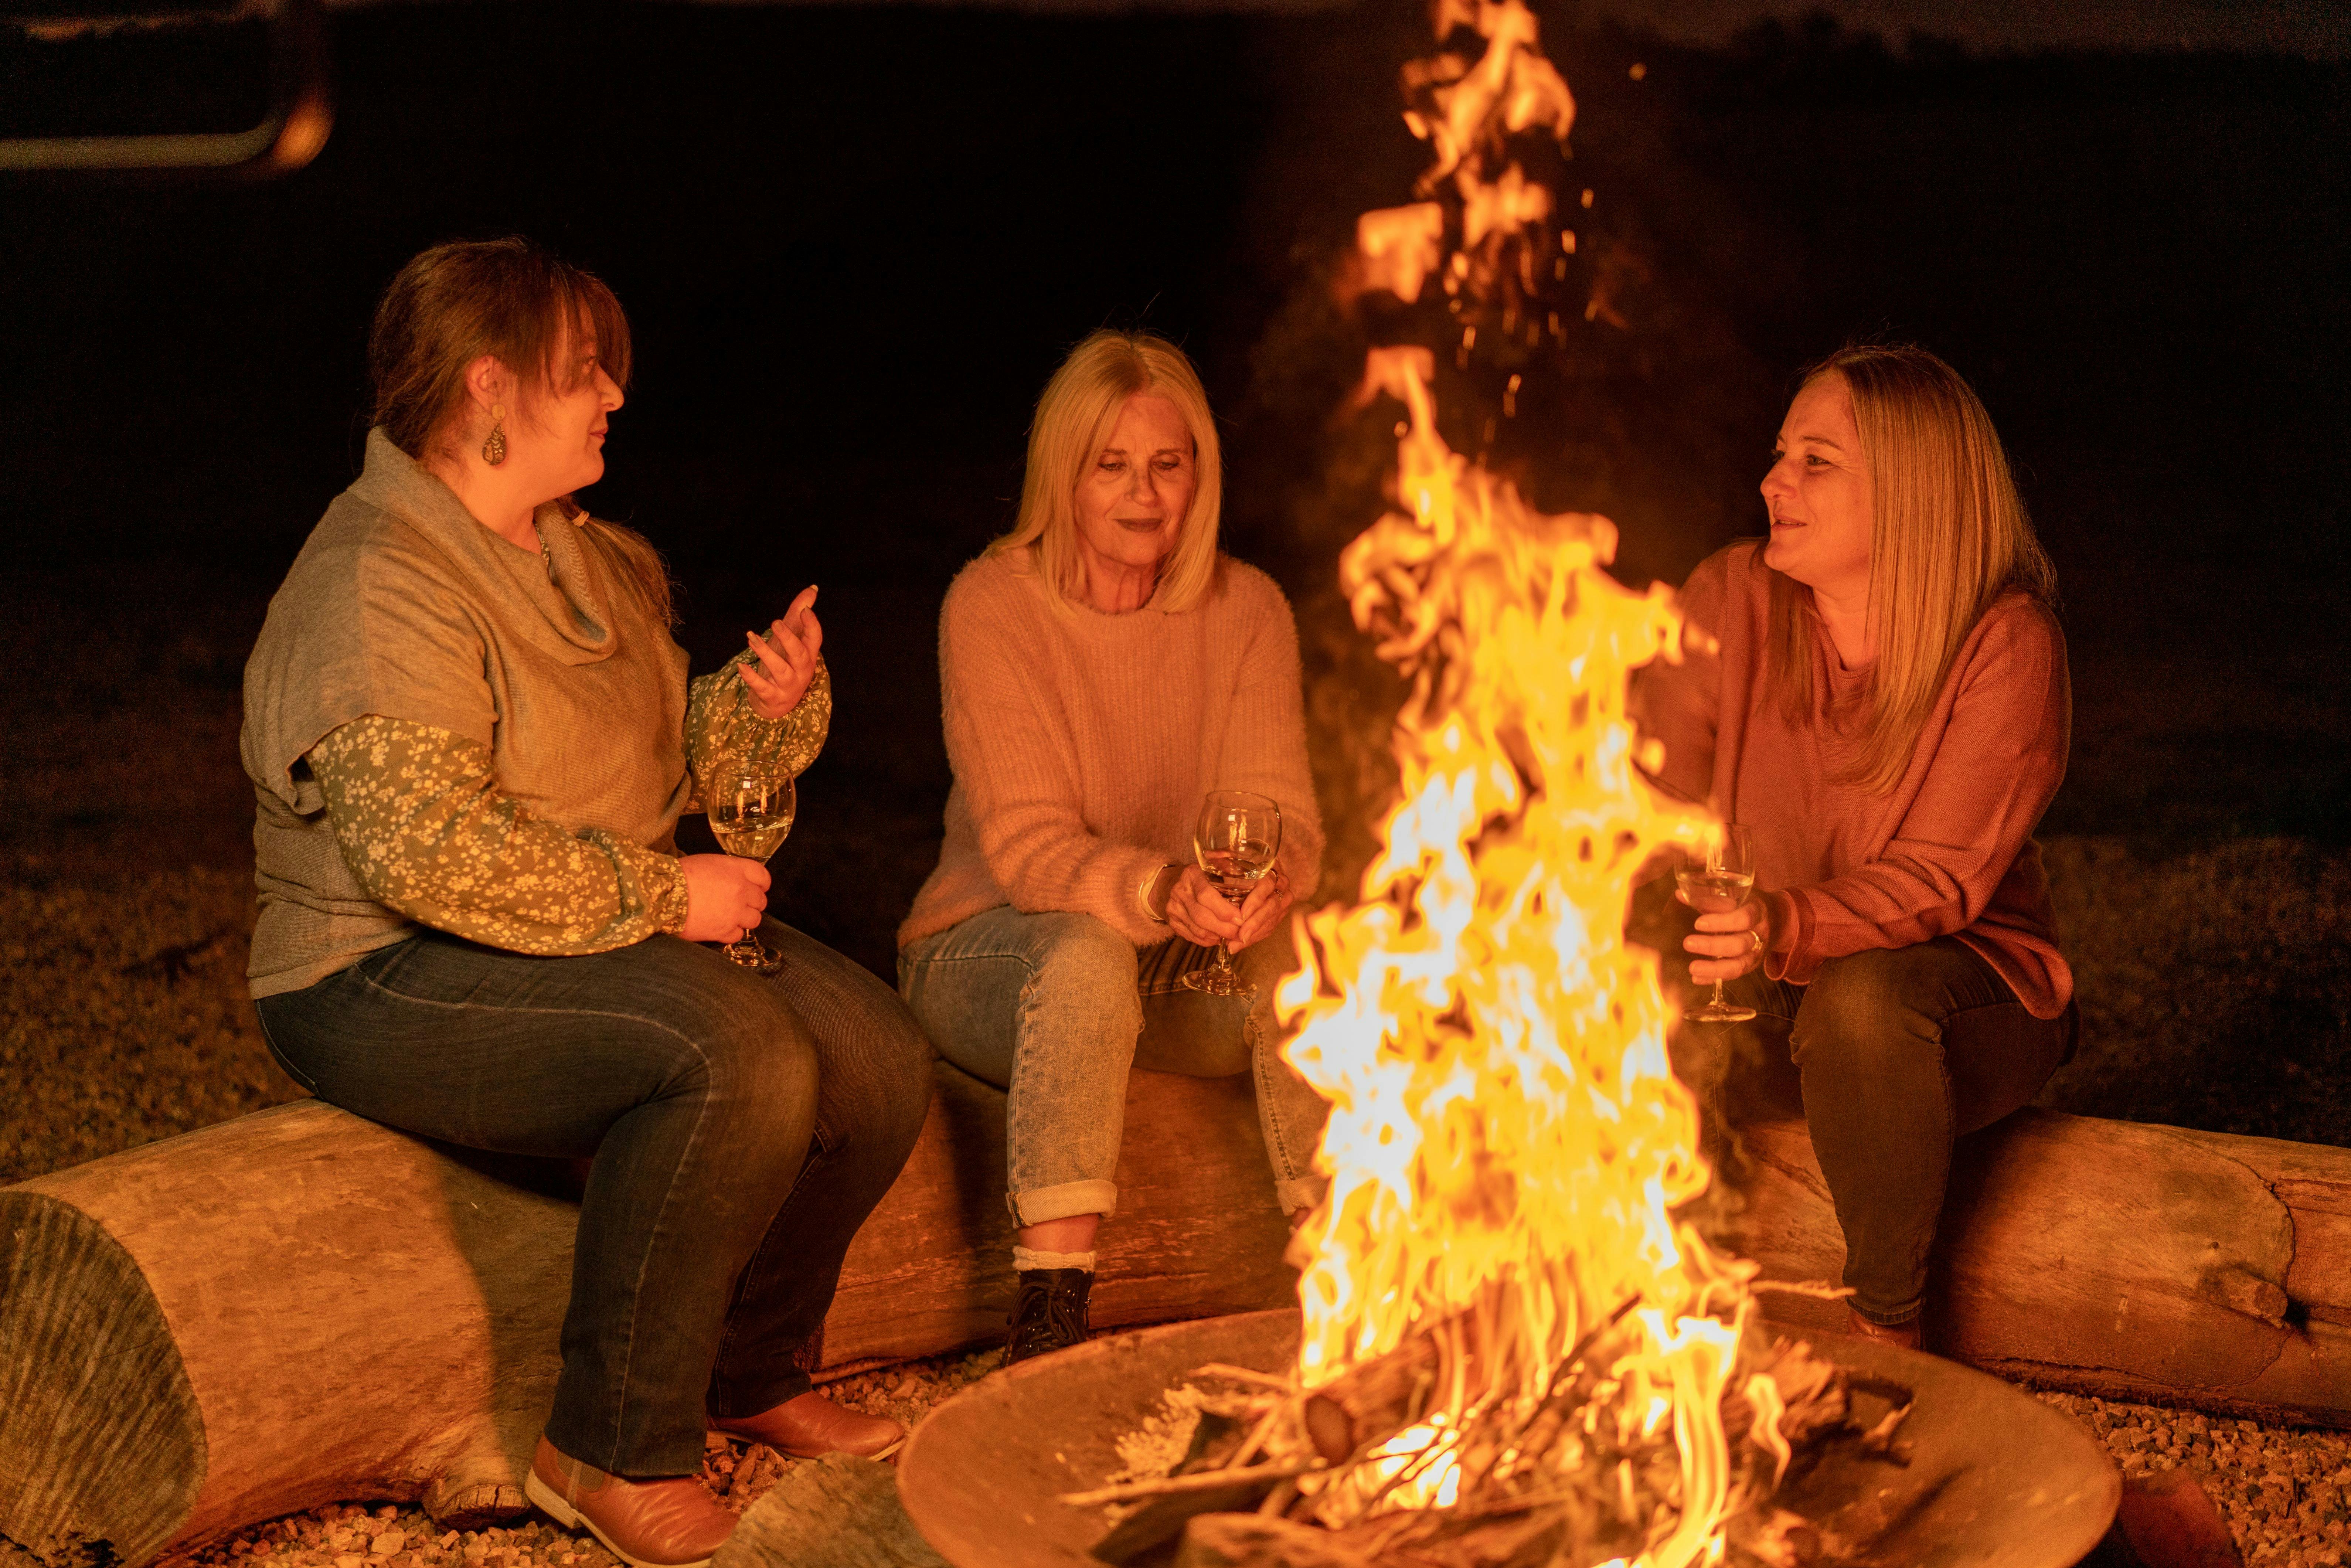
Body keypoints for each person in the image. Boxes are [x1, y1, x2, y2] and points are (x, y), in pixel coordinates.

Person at [241, 238, 931, 1568]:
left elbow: (669, 760)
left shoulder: (591, 555)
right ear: (490, 389)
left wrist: (761, 710)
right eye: (583, 371)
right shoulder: (377, 582)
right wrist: (666, 893)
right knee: (727, 1052)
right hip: (375, 971)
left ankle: (749, 1363)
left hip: (579, 925)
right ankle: (607, 1441)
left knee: (878, 1054)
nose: (615, 391)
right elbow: (425, 854)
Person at [896, 329, 1329, 1365]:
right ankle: (1049, 1320)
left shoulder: (1247, 609)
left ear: (1199, 477)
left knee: (1310, 959)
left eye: (1167, 465)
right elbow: (1031, 848)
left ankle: (1343, 1278)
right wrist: (1163, 887)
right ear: (1065, 474)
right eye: (1112, 465)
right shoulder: (993, 605)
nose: (1143, 494)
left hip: (1176, 961)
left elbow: (1286, 819)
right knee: (1085, 954)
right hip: (990, 952)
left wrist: (1266, 890)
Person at [1636, 343, 2075, 1350]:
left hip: (1962, 994)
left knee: (1864, 1000)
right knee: (1594, 975)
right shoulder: (1732, 597)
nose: (1770, 482)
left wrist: (1781, 920)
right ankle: (1633, 1315)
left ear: (1910, 490)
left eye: (1814, 462)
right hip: (1758, 978)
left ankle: (1891, 1336)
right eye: (1778, 454)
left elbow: (1941, 880)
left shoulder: (2005, 644)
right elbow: (1640, 799)